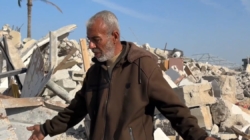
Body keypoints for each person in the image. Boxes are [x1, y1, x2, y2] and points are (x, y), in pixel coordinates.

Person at [27, 10, 216, 140]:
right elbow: (75, 110)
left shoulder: (142, 66)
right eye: (89, 40)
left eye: (96, 40)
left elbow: (174, 109)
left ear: (114, 36)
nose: (91, 46)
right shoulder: (94, 73)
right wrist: (45, 129)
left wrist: (200, 136)